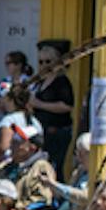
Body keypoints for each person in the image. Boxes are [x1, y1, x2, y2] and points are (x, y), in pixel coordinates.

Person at [30, 36, 78, 171]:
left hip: (57, 131)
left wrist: (39, 104)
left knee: (54, 167)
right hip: (41, 130)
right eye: (41, 62)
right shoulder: (39, 81)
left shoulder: (62, 81)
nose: (44, 65)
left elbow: (67, 106)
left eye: (48, 61)